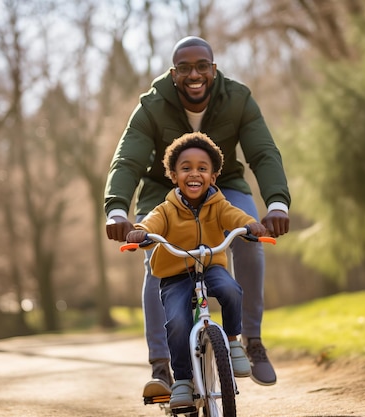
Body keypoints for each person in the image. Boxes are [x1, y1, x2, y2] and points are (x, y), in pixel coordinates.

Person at [104, 36, 291, 395]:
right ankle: (162, 366)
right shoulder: (152, 106)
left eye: (202, 66)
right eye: (185, 68)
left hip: (224, 184)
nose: (194, 75)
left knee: (251, 242)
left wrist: (277, 205)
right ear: (174, 73)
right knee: (153, 258)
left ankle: (251, 341)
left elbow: (264, 153)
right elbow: (126, 160)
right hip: (163, 187)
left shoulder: (238, 99)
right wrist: (116, 211)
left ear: (213, 69)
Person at [126, 132, 269, 409]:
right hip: (175, 276)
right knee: (178, 323)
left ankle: (232, 341)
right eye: (186, 168)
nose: (195, 174)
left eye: (202, 168)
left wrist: (250, 224)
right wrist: (140, 233)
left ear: (213, 176)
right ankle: (181, 379)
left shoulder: (219, 205)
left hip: (210, 266)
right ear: (173, 174)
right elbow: (151, 224)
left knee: (231, 289)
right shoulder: (166, 209)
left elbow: (235, 217)